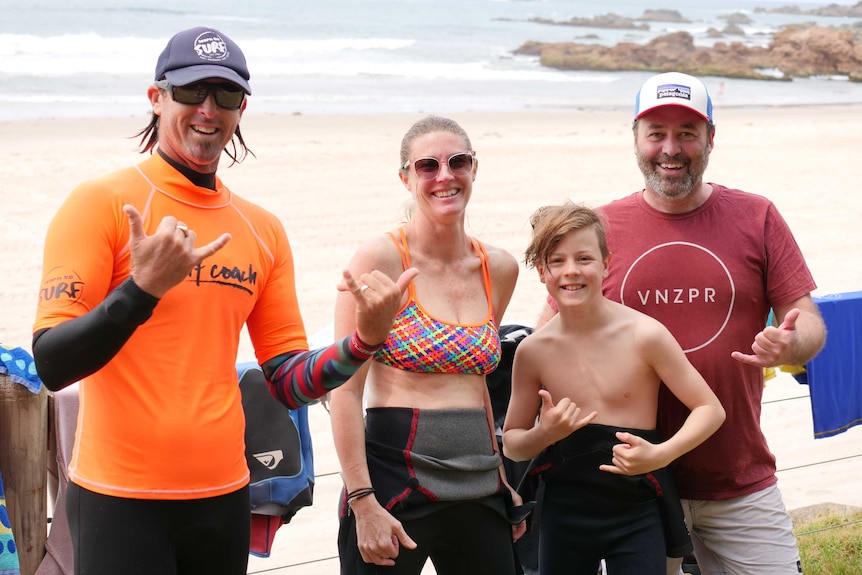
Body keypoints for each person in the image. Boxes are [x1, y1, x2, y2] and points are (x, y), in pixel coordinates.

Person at [31, 26, 413, 575]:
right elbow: (52, 362)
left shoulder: (261, 229)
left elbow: (286, 379)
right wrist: (140, 292)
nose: (208, 110)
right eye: (190, 92)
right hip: (117, 495)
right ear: (156, 97)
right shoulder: (101, 204)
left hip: (224, 496)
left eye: (225, 95)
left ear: (242, 107)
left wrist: (363, 342)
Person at [537, 72, 826, 575]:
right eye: (656, 133)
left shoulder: (756, 216)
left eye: (687, 133)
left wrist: (789, 346)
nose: (670, 149)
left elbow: (812, 327)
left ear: (711, 138)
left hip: (738, 479)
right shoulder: (598, 229)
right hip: (624, 488)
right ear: (635, 140)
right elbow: (549, 339)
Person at [328, 115, 528, 575]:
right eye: (426, 166)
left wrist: (501, 479)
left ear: (474, 168)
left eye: (457, 161)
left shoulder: (497, 267)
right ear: (405, 177)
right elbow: (344, 391)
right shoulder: (380, 259)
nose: (444, 176)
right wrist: (362, 502)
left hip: (478, 484)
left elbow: (479, 380)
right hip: (394, 483)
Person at [503, 202, 725, 575]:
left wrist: (662, 454)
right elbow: (511, 441)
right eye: (557, 261)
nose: (571, 271)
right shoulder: (533, 351)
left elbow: (709, 409)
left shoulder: (645, 335)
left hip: (636, 507)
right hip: (563, 509)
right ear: (541, 272)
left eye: (584, 258)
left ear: (607, 262)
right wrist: (545, 433)